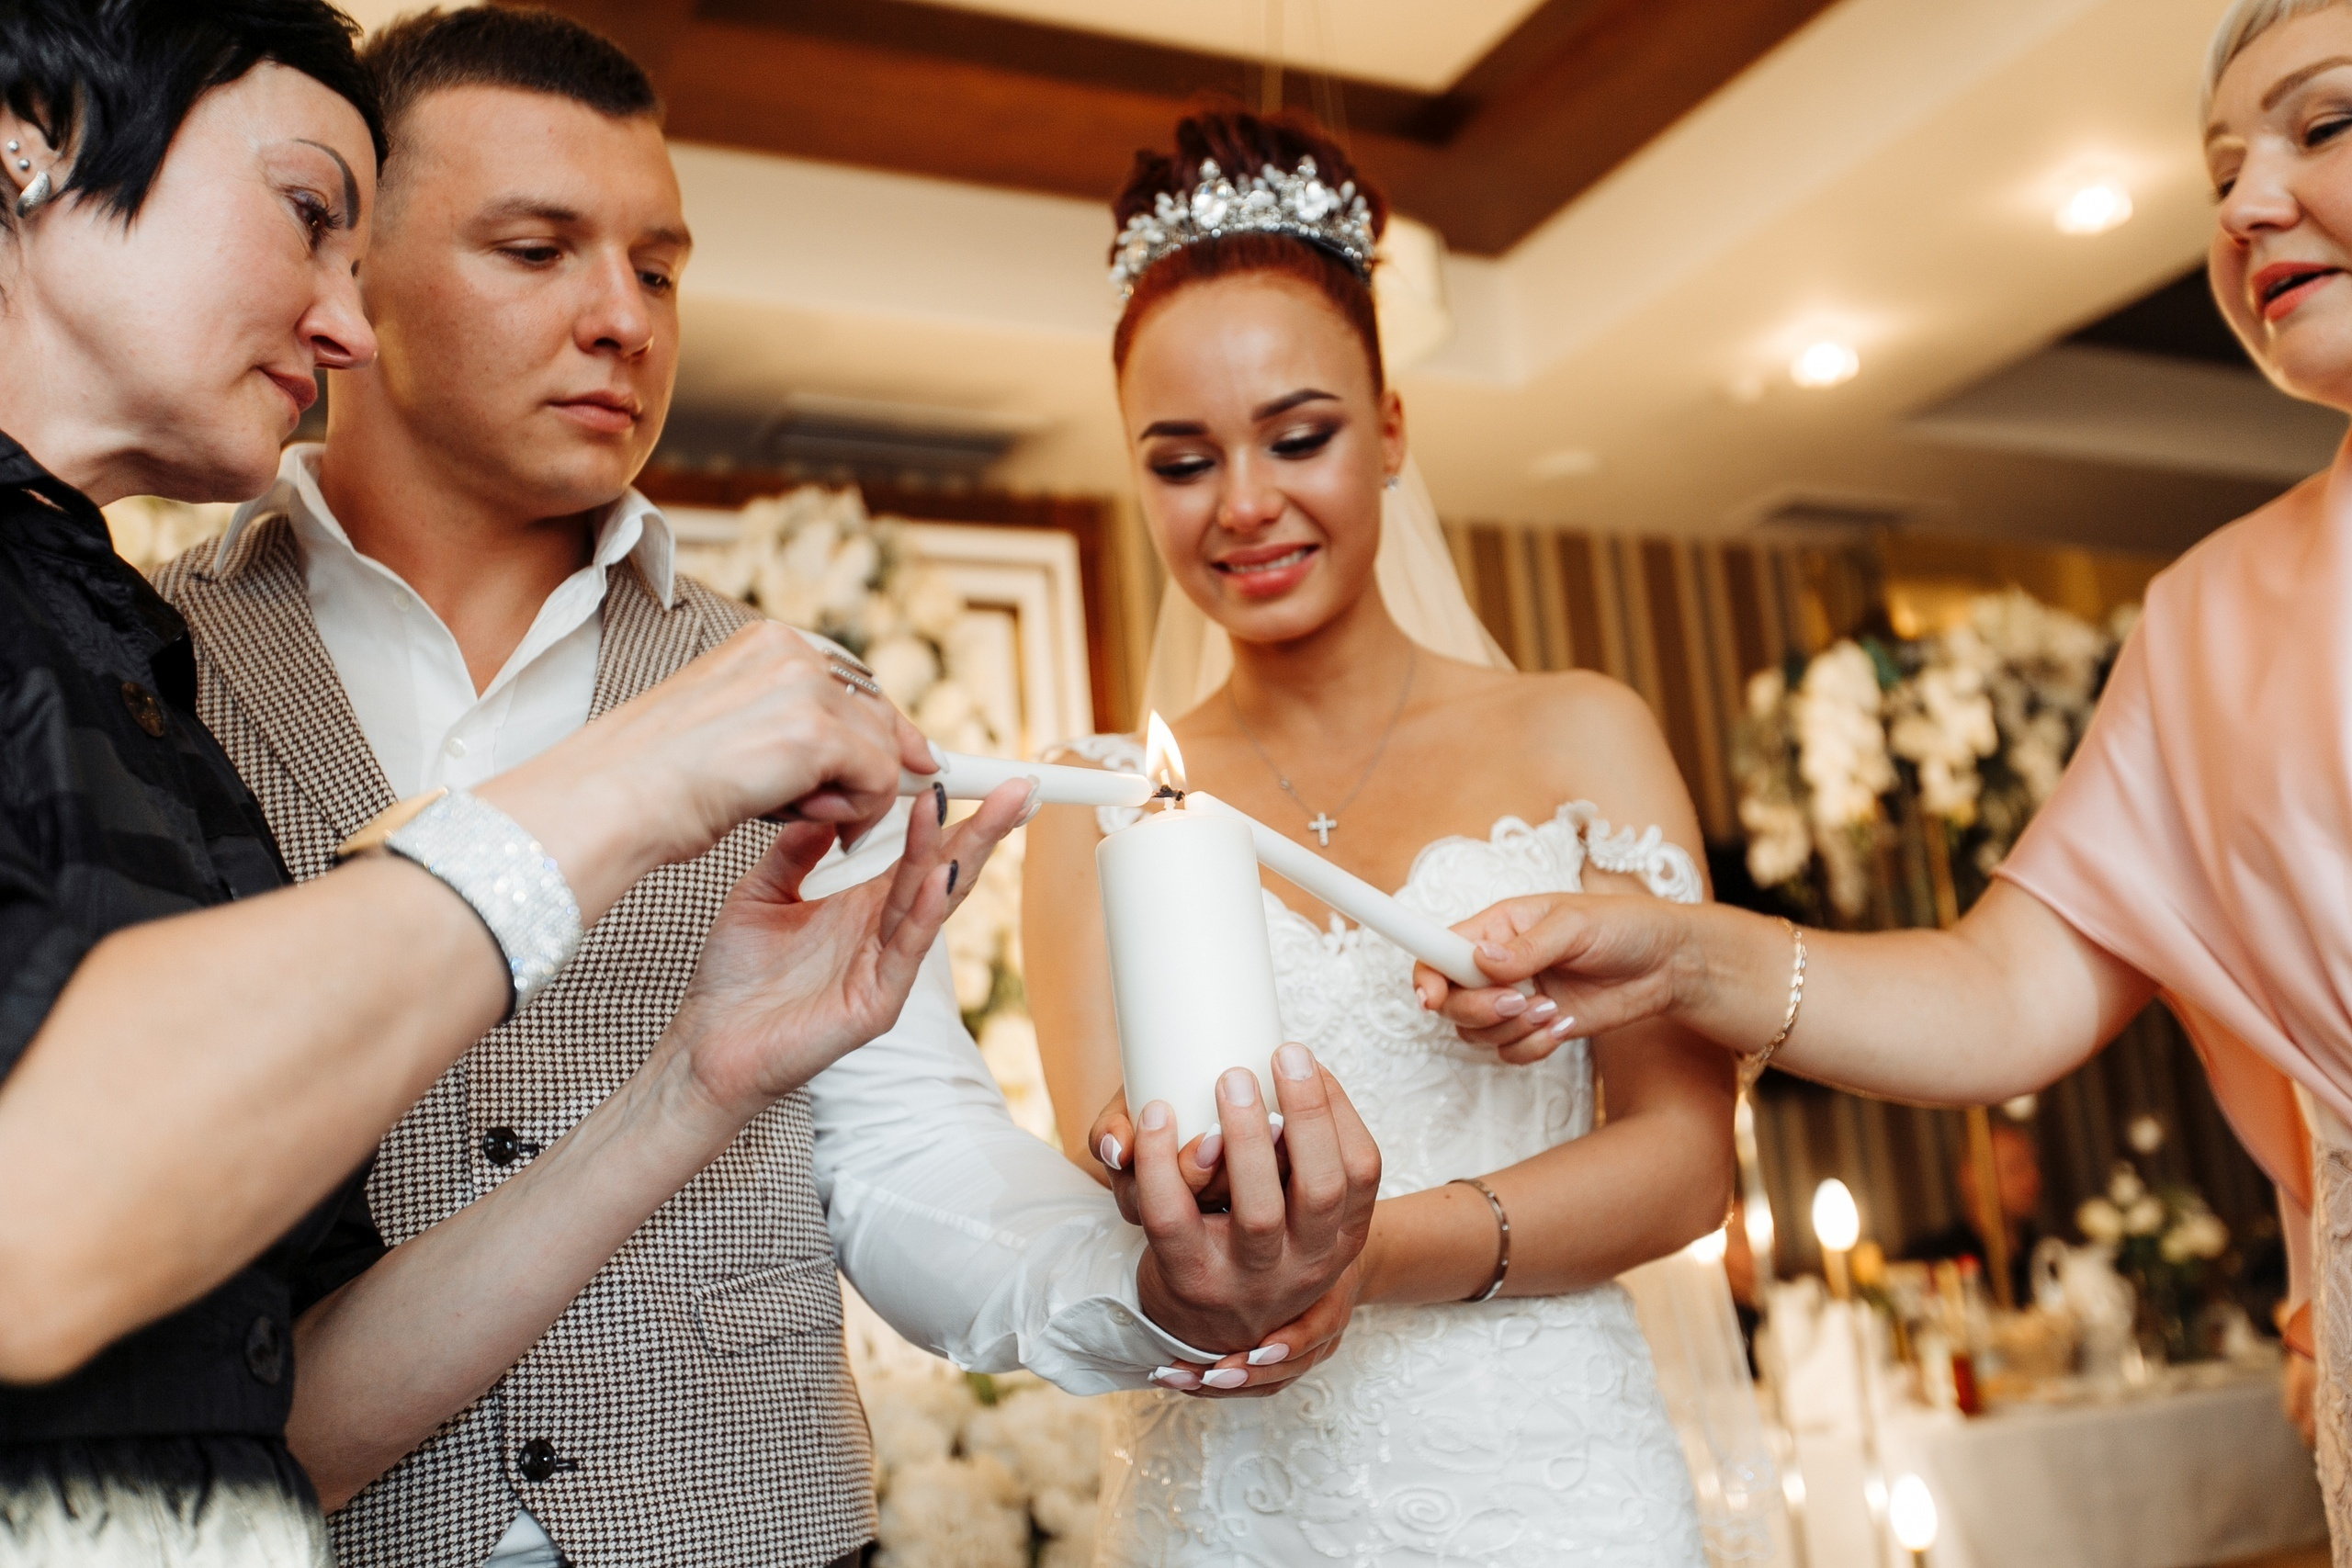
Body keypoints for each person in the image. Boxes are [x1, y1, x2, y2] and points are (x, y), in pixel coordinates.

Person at [153, 14, 1381, 1567]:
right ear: (350, 278)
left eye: (658, 268)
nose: (622, 319)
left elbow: (904, 1152)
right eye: (537, 249)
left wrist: (1148, 1287)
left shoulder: (798, 696)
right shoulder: (142, 667)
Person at [0, 3, 1000, 1561]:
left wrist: (699, 1086)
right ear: (34, 140)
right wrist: (632, 781)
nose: (336, 324)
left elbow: (278, 1408)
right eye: (311, 216)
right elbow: (39, 1219)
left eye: (660, 269)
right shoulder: (167, 643)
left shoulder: (127, 669)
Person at [1429, 0, 2352, 1540]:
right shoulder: (2208, 620)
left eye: (2322, 127)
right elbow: (2004, 995)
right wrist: (1682, 953)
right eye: (2219, 173)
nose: (2251, 203)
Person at [1023, 110, 1745, 1566]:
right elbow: (1118, 1165)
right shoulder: (1092, 801)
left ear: (1394, 428)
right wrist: (1143, 1178)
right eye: (1180, 461)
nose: (1244, 505)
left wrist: (1366, 1251)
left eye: (1300, 436)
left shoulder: (1580, 733)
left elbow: (1682, 1157)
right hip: (1236, 1495)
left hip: (1549, 1481)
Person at [1903, 1120, 2043, 1308]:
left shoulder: (2046, 1252)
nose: (2032, 1178)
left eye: (2033, 1165)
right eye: (2014, 1168)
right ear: (1971, 1177)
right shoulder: (1932, 1259)